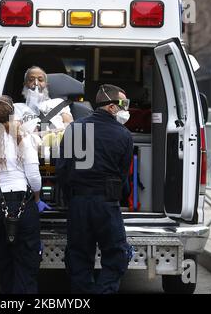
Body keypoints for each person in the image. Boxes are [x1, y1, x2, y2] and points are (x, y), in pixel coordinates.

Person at [56, 84, 134, 294]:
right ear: (110, 106)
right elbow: (122, 174)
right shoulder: (124, 135)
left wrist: (69, 197)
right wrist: (121, 198)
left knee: (79, 257)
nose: (126, 109)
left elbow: (62, 170)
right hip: (107, 205)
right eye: (123, 104)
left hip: (78, 203)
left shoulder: (75, 128)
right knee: (116, 256)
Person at [0, 95, 49, 294]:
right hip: (21, 204)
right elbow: (34, 178)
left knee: (2, 259)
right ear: (13, 115)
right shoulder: (22, 139)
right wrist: (38, 199)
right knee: (27, 259)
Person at [14, 66, 73, 134]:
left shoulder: (59, 102)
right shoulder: (17, 107)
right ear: (25, 84)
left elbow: (70, 127)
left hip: (57, 141)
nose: (36, 83)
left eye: (40, 80)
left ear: (46, 84)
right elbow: (15, 134)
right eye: (31, 80)